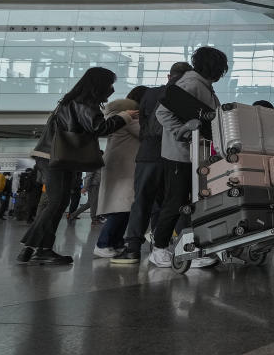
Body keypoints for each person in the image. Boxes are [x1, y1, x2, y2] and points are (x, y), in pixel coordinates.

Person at [17, 67, 137, 265]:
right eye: (110, 84)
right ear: (98, 85)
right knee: (56, 202)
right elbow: (100, 128)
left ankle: (34, 249)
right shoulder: (84, 103)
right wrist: (125, 116)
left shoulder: (71, 101)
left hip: (53, 155)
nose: (112, 90)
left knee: (58, 202)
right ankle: (37, 248)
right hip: (55, 156)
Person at [149, 47, 227, 268]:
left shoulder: (205, 87)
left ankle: (192, 246)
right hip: (180, 156)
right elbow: (162, 113)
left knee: (193, 202)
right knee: (175, 202)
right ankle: (160, 248)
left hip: (196, 156)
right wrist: (182, 131)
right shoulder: (191, 84)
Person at [112, 63, 192, 264]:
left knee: (142, 200)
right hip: (174, 154)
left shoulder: (150, 94)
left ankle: (132, 249)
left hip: (149, 153)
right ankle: (172, 246)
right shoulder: (187, 94)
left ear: (168, 75)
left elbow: (144, 125)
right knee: (175, 201)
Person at [93, 86, 148, 257]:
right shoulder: (130, 117)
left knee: (125, 208)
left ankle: (115, 243)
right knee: (121, 208)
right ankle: (103, 244)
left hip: (121, 166)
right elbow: (146, 133)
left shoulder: (119, 115)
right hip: (124, 167)